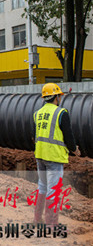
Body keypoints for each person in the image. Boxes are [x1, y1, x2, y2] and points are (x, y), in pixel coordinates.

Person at [33, 83, 80, 226]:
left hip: (40, 155)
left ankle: (37, 219)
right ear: (55, 97)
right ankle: (51, 224)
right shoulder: (61, 113)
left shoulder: (37, 113)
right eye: (59, 95)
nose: (60, 98)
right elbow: (68, 135)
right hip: (53, 157)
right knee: (53, 190)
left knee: (42, 186)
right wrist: (74, 150)